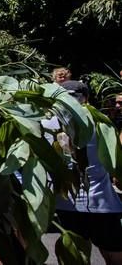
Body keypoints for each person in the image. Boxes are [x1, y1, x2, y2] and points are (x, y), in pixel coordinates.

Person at [45, 81, 122, 265]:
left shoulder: (45, 123)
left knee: (76, 257)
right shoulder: (99, 121)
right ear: (85, 98)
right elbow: (114, 162)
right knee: (114, 255)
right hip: (100, 201)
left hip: (66, 203)